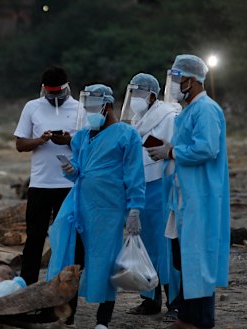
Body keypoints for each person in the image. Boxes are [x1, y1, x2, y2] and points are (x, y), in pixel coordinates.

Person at [47, 84, 146, 329]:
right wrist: (71, 171)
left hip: (108, 207)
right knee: (73, 258)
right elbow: (79, 170)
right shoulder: (82, 136)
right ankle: (67, 314)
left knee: (105, 258)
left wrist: (135, 208)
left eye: (94, 108)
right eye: (87, 108)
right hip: (79, 204)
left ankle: (103, 319)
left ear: (107, 107)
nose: (90, 113)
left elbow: (134, 173)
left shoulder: (126, 134)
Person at [147, 54, 230, 329]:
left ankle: (200, 319)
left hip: (201, 195)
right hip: (183, 196)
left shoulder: (206, 110)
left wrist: (171, 151)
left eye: (177, 79)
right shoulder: (189, 111)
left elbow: (207, 148)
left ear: (192, 81)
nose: (173, 85)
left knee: (199, 258)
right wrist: (168, 150)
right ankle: (187, 315)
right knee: (184, 257)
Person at [13, 65, 85, 286]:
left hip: (69, 185)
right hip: (40, 184)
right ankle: (28, 284)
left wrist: (68, 141)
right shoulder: (32, 107)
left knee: (70, 238)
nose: (55, 98)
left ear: (67, 88)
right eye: (51, 93)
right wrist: (40, 140)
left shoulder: (80, 109)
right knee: (34, 238)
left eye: (59, 93)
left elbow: (89, 147)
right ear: (44, 89)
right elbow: (20, 144)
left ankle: (67, 284)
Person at [119, 73, 181, 320]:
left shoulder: (169, 117)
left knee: (165, 246)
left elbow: (175, 150)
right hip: (140, 187)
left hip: (161, 186)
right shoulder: (137, 119)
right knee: (145, 245)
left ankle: (175, 302)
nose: (135, 99)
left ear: (153, 96)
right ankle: (149, 299)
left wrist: (164, 152)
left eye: (139, 94)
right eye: (132, 93)